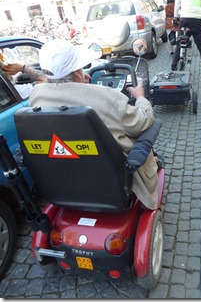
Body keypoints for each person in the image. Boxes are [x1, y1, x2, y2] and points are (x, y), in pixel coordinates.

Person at [24, 39, 160, 210]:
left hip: (66, 178)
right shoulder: (104, 96)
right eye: (81, 68)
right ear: (77, 73)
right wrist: (140, 97)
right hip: (111, 179)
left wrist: (78, 82)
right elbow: (141, 121)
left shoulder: (36, 97)